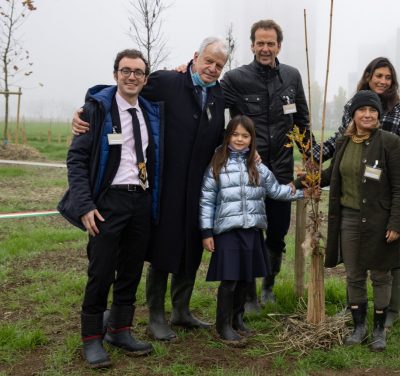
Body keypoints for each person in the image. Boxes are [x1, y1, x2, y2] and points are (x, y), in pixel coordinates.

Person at [72, 37, 229, 341]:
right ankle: (156, 315)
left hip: (198, 187)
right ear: (195, 57)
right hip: (165, 184)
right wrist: (84, 111)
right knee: (163, 247)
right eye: (208, 61)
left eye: (219, 65)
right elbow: (123, 90)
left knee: (191, 248)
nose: (212, 68)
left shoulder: (218, 95)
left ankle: (181, 310)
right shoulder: (167, 81)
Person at [58, 49, 161, 368]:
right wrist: (85, 205)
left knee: (131, 269)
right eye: (126, 70)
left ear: (146, 78)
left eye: (138, 72)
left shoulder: (149, 112)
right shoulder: (97, 110)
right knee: (101, 271)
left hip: (140, 200)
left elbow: (146, 155)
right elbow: (75, 160)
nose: (132, 77)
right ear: (115, 73)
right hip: (107, 203)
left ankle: (120, 329)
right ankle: (91, 339)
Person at [311, 57, 400, 327]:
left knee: (387, 263)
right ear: (368, 76)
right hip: (355, 202)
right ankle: (355, 313)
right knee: (354, 267)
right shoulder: (353, 112)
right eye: (378, 75)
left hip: (384, 194)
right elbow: (339, 140)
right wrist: (313, 158)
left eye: (387, 77)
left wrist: (395, 211)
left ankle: (388, 313)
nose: (382, 81)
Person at [303, 90, 400, 351]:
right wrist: (301, 183)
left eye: (373, 111)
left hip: (380, 220)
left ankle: (379, 329)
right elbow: (331, 175)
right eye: (362, 110)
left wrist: (395, 223)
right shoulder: (343, 142)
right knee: (354, 274)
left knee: (381, 274)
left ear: (378, 115)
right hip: (348, 218)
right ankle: (358, 326)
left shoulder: (389, 142)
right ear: (354, 115)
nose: (368, 115)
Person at [221, 19, 312, 309]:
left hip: (282, 170)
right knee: (249, 233)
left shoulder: (292, 77)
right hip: (248, 171)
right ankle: (248, 295)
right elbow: (207, 99)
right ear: (252, 45)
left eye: (270, 43)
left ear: (279, 46)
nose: (265, 48)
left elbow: (301, 123)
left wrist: (310, 157)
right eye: (260, 42)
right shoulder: (236, 79)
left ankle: (268, 286)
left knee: (276, 233)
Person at [199, 115, 304, 346]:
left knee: (246, 278)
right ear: (228, 136)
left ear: (251, 139)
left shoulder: (257, 166)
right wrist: (206, 232)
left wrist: (302, 192)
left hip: (252, 230)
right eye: (235, 134)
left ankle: (238, 319)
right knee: (230, 280)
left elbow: (276, 191)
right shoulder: (217, 165)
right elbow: (207, 200)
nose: (239, 139)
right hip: (227, 231)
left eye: (245, 136)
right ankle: (223, 325)